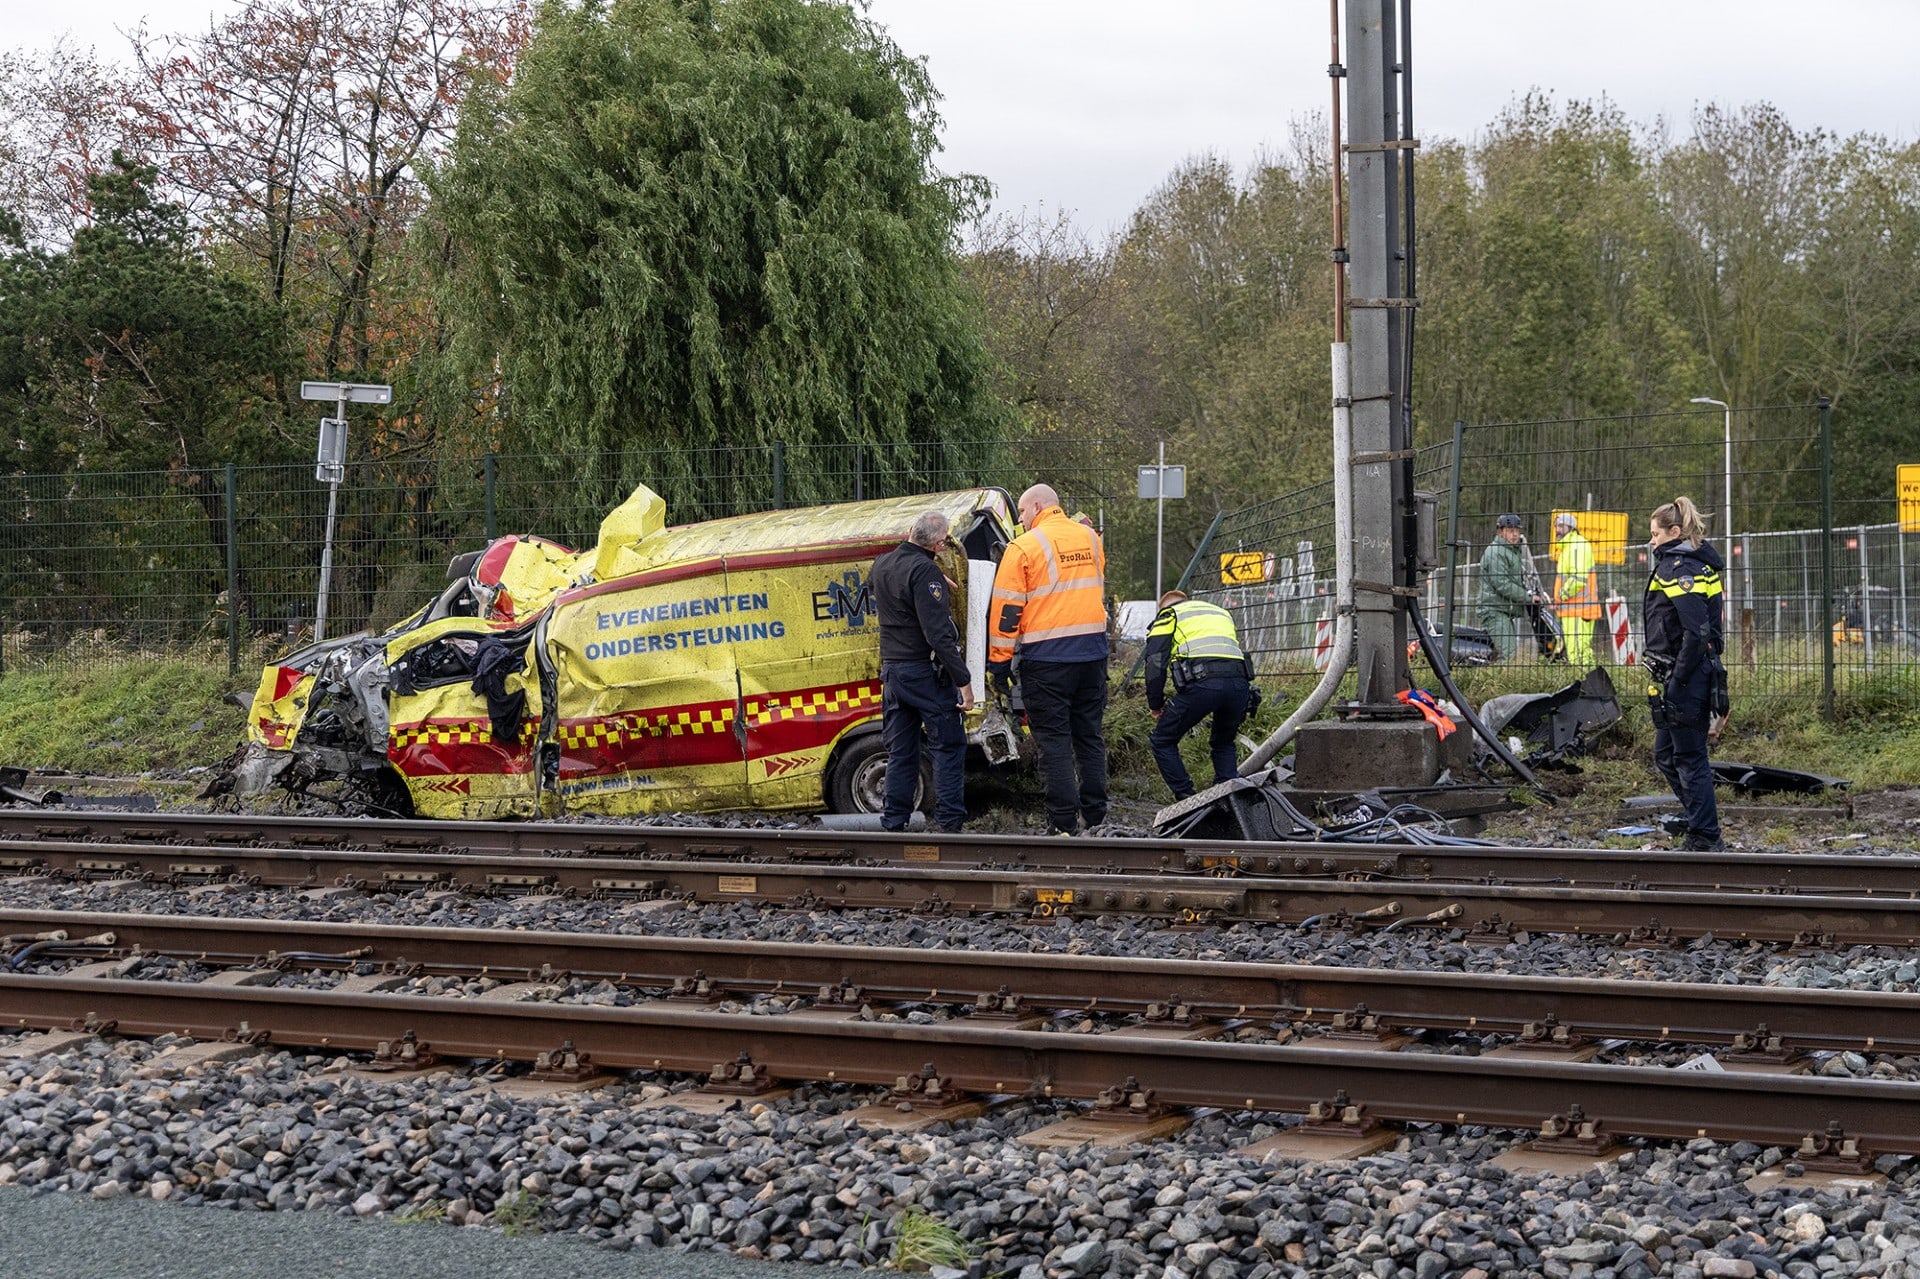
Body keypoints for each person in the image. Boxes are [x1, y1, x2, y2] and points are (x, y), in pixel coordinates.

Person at [987, 483, 1109, 835]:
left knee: (1054, 742)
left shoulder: (1023, 546)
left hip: (1047, 660)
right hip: (1092, 655)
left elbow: (1008, 610)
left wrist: (999, 663)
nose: (1021, 520)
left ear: (1037, 506)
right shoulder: (1090, 539)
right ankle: (1097, 819)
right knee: (1089, 737)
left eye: (1022, 513)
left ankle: (1062, 825)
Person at [871, 510, 973, 834]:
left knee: (901, 752)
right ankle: (950, 824)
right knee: (948, 745)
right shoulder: (924, 570)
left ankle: (894, 824)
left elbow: (880, 588)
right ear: (939, 543)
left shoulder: (882, 563)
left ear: (912, 530)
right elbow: (939, 635)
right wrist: (965, 682)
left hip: (892, 674)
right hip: (923, 673)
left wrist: (929, 580)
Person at [1643, 495, 1726, 852]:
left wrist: (1677, 679)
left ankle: (1705, 836)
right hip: (1681, 671)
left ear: (1674, 532)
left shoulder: (1680, 568)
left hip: (1687, 674)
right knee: (1666, 755)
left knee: (1690, 758)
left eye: (1655, 534)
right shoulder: (1690, 563)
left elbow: (1698, 631)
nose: (1651, 540)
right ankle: (1697, 818)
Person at [1142, 589, 1255, 801]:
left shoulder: (1169, 615)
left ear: (1163, 607)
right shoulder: (1219, 612)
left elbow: (1155, 662)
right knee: (1223, 741)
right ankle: (1228, 796)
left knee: (1162, 740)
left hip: (1203, 685)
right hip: (1239, 685)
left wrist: (1155, 704)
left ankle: (1187, 798)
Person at [1476, 514, 1539, 661]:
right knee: (1509, 656)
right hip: (1494, 610)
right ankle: (1499, 683)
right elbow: (1502, 584)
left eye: (1517, 530)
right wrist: (1528, 597)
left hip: (1502, 610)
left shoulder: (1511, 551)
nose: (1515, 534)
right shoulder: (1496, 552)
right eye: (1511, 530)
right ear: (1500, 532)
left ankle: (1497, 681)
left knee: (1507, 654)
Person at [1553, 512, 1601, 667]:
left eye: (1561, 526)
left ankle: (1589, 684)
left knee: (1580, 652)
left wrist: (1561, 595)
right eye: (1556, 526)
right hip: (1573, 609)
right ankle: (1584, 683)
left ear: (1571, 527)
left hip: (1579, 609)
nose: (1557, 530)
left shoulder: (1577, 546)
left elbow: (1578, 578)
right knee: (1577, 652)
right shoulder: (1568, 547)